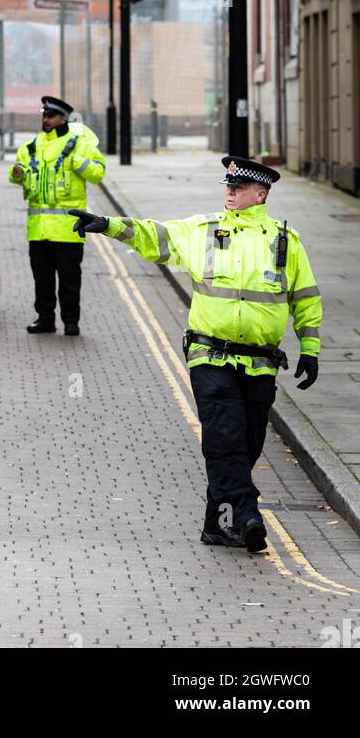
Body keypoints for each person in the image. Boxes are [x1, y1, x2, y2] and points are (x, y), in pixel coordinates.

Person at [69, 155, 323, 552]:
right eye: (228, 186)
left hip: (260, 362)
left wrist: (310, 348)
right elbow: (153, 236)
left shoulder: (286, 242)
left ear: (262, 193)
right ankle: (246, 514)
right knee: (225, 439)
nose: (230, 193)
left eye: (238, 188)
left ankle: (216, 525)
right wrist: (109, 225)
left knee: (248, 444)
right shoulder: (203, 231)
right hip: (210, 357)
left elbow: (305, 298)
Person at [10, 96, 105, 335]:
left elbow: (98, 173)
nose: (46, 120)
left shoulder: (79, 145)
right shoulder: (32, 145)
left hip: (68, 229)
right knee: (42, 280)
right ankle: (45, 319)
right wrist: (17, 173)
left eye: (50, 116)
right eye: (44, 116)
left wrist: (77, 162)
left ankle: (71, 322)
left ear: (63, 118)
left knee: (69, 280)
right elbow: (16, 174)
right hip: (39, 228)